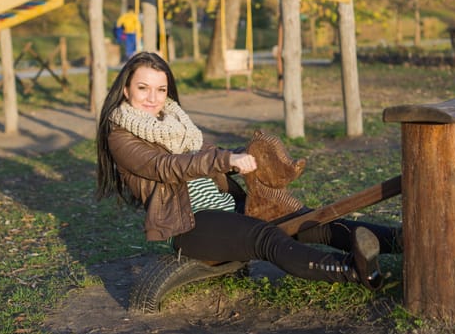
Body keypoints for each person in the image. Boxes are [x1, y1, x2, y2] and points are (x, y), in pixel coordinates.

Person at [96, 52, 400, 291]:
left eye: (160, 89)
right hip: (188, 225)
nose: (153, 97)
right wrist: (226, 160)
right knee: (265, 237)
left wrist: (241, 155)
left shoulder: (175, 123)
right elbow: (165, 167)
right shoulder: (120, 135)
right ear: (125, 90)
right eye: (143, 88)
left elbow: (206, 153)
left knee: (309, 220)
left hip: (225, 207)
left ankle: (400, 241)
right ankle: (355, 270)